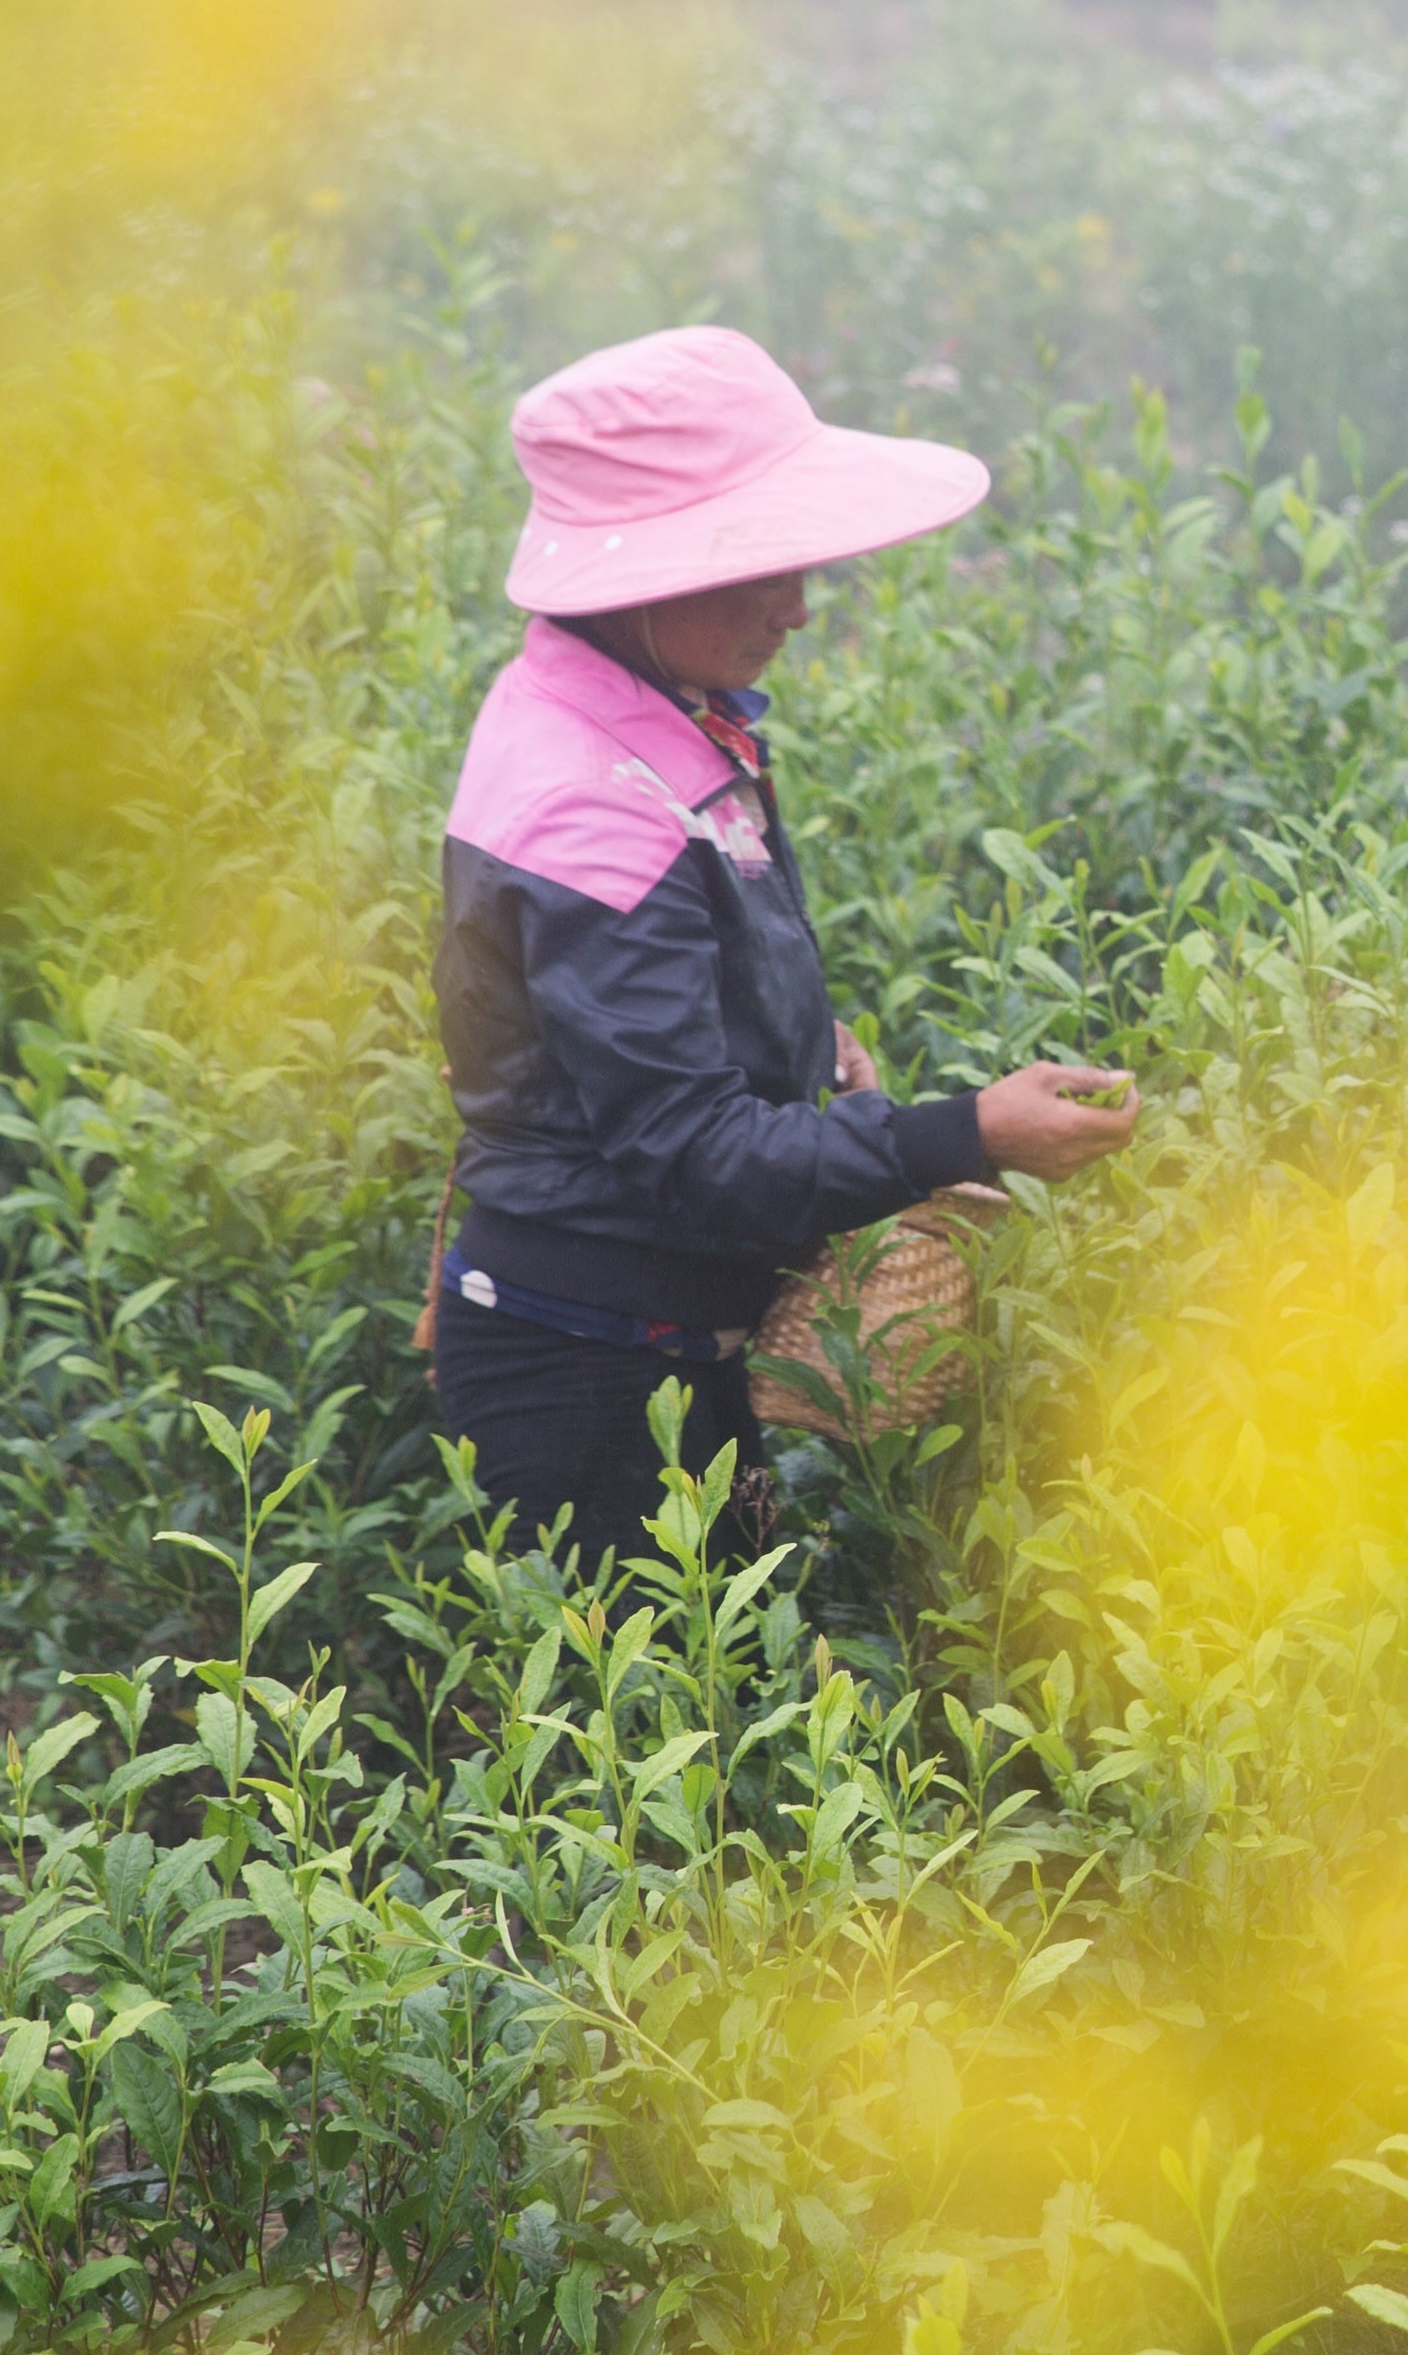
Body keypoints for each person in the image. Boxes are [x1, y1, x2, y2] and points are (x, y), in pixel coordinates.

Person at [432, 324, 1142, 1561]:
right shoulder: (592, 795)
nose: (800, 610)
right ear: (643, 579)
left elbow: (621, 1010)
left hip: (656, 1343)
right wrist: (967, 1132)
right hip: (592, 1374)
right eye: (759, 569)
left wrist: (794, 1041)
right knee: (658, 1734)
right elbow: (689, 1149)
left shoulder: (634, 713)